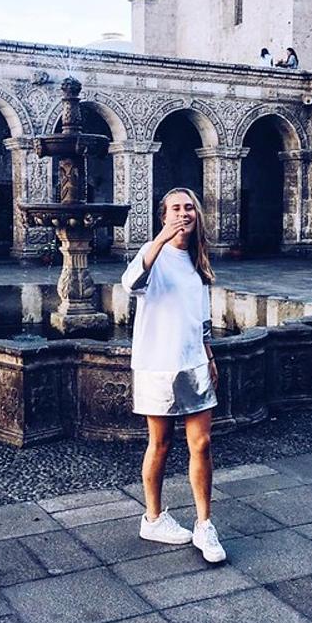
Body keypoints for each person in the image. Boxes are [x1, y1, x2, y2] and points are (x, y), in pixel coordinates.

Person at [121, 187, 226, 563]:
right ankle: (152, 518)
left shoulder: (198, 260)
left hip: (193, 362)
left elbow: (201, 315)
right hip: (157, 363)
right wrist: (161, 239)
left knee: (202, 444)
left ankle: (204, 524)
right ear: (163, 215)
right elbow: (130, 283)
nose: (184, 213)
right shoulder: (154, 255)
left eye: (189, 208)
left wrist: (209, 353)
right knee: (161, 443)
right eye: (176, 208)